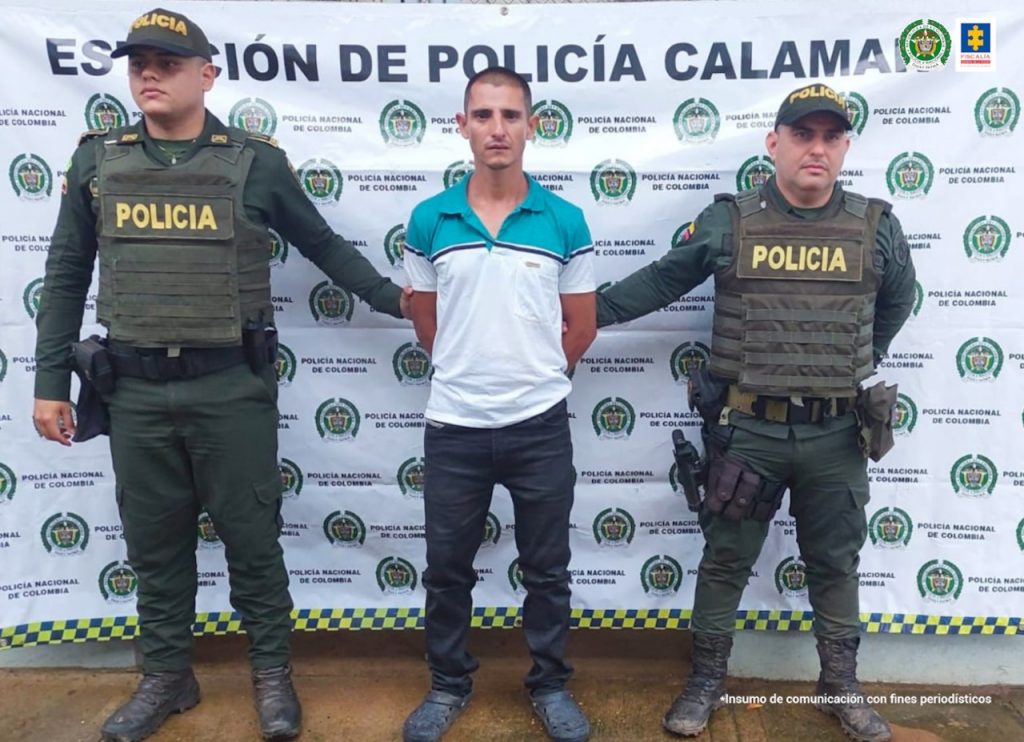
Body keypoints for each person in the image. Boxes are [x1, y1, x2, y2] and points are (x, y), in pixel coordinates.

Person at [32, 8, 409, 741]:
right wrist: (50, 382)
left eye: (166, 63)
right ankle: (166, 676)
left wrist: (399, 302)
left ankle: (272, 676)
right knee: (153, 543)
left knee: (251, 538)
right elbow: (67, 271)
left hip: (230, 386)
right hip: (132, 390)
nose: (148, 74)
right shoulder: (97, 161)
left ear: (206, 75)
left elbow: (324, 245)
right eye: (138, 62)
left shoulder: (255, 162)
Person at [597, 83, 915, 742]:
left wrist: (864, 354)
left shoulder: (877, 226)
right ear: (775, 143)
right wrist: (577, 316)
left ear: (846, 146)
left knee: (836, 563)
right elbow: (659, 282)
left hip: (836, 434)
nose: (817, 148)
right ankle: (706, 682)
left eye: (831, 136)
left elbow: (899, 300)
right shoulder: (730, 221)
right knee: (724, 562)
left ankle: (840, 685)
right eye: (803, 135)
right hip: (749, 433)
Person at [401, 67, 597, 742]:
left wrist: (534, 377)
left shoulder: (564, 221)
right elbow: (426, 322)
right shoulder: (430, 219)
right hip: (453, 427)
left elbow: (581, 327)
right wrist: (467, 371)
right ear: (463, 126)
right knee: (447, 569)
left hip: (540, 427)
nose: (497, 129)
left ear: (531, 126)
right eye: (482, 115)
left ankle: (550, 686)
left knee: (548, 569)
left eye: (510, 116)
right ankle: (448, 684)